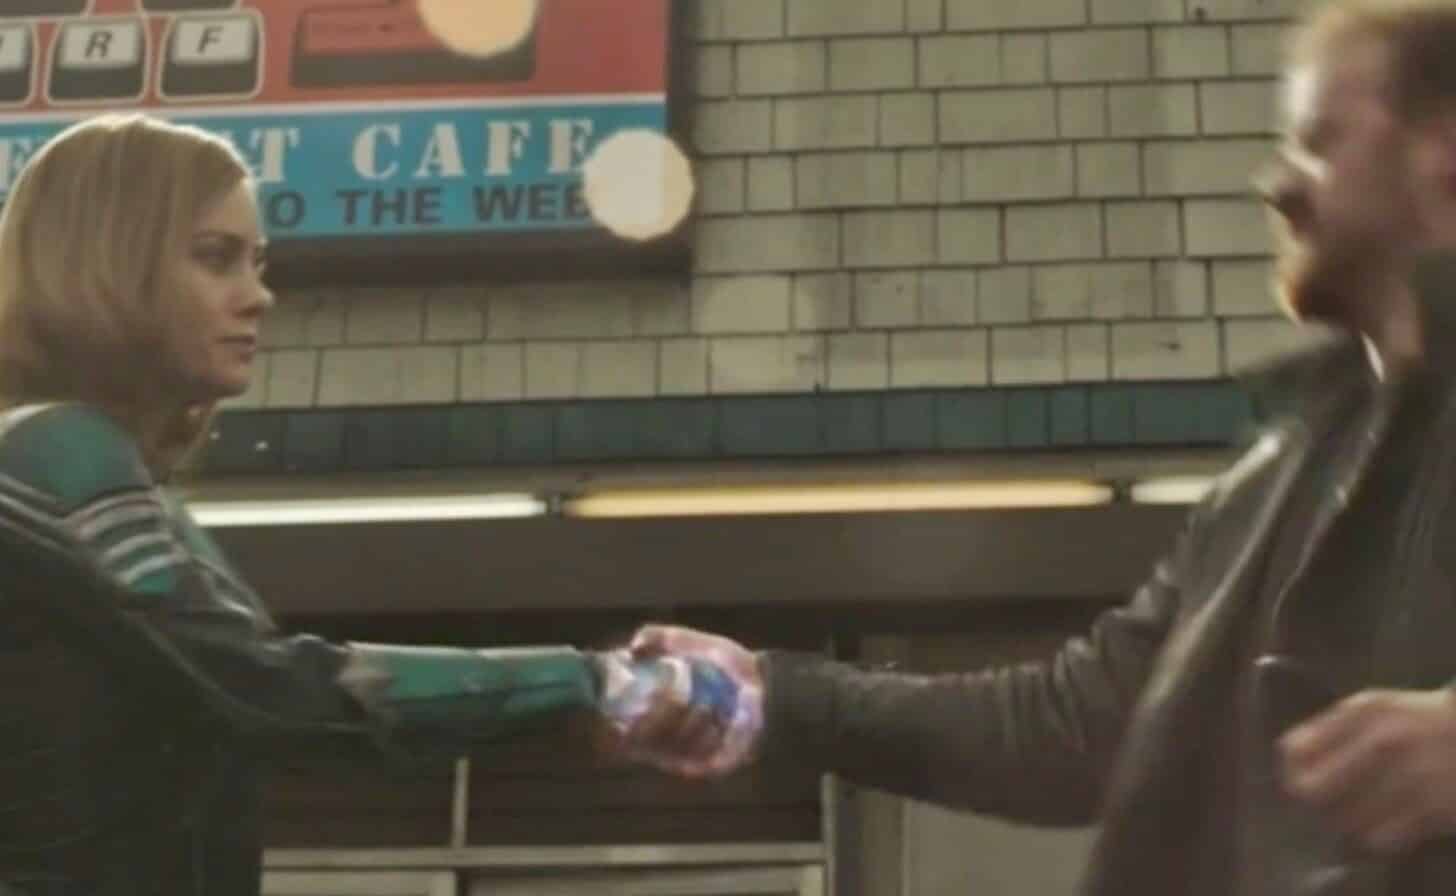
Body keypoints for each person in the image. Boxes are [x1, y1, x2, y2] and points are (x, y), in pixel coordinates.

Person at [619, 1, 1456, 892]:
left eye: (1321, 142)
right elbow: (1074, 726)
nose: (1277, 184)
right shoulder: (1276, 473)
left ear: (1442, 152)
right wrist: (774, 695)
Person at [0, 113, 721, 896]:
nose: (258, 296)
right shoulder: (60, 450)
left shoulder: (73, 465)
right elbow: (261, 686)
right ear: (109, 267)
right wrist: (593, 683)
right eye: (215, 258)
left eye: (257, 263)